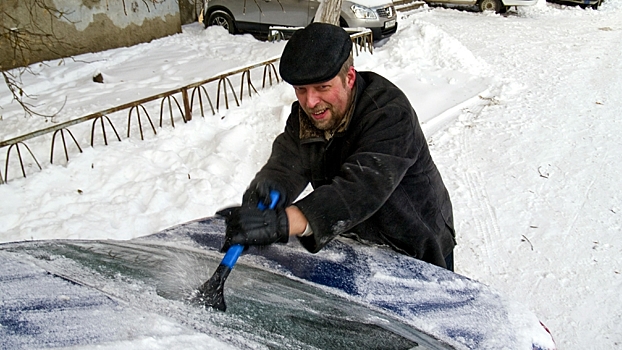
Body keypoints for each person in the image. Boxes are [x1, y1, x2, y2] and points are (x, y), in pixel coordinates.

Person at [217, 22, 456, 270]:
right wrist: (265, 192)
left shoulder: (389, 113)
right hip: (357, 247)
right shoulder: (305, 118)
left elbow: (362, 187)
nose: (310, 102)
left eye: (323, 87)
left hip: (413, 244)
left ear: (349, 78)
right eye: (301, 89)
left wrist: (285, 223)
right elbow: (286, 165)